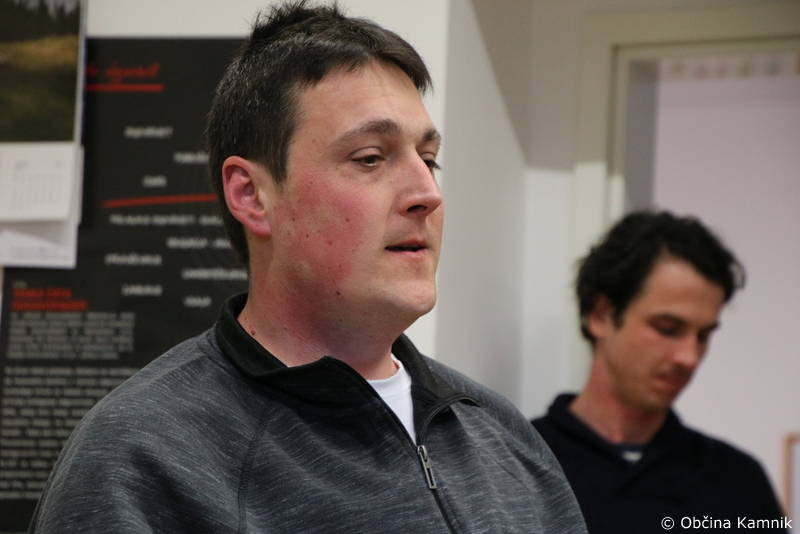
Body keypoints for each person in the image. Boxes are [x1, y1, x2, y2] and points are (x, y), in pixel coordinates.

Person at [30, 2, 587, 532]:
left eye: (429, 159)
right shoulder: (144, 456)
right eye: (370, 158)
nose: (427, 193)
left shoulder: (499, 432)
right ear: (251, 195)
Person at [532, 211, 787, 533]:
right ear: (601, 316)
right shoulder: (520, 463)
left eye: (703, 335)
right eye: (668, 328)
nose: (689, 357)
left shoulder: (740, 481)